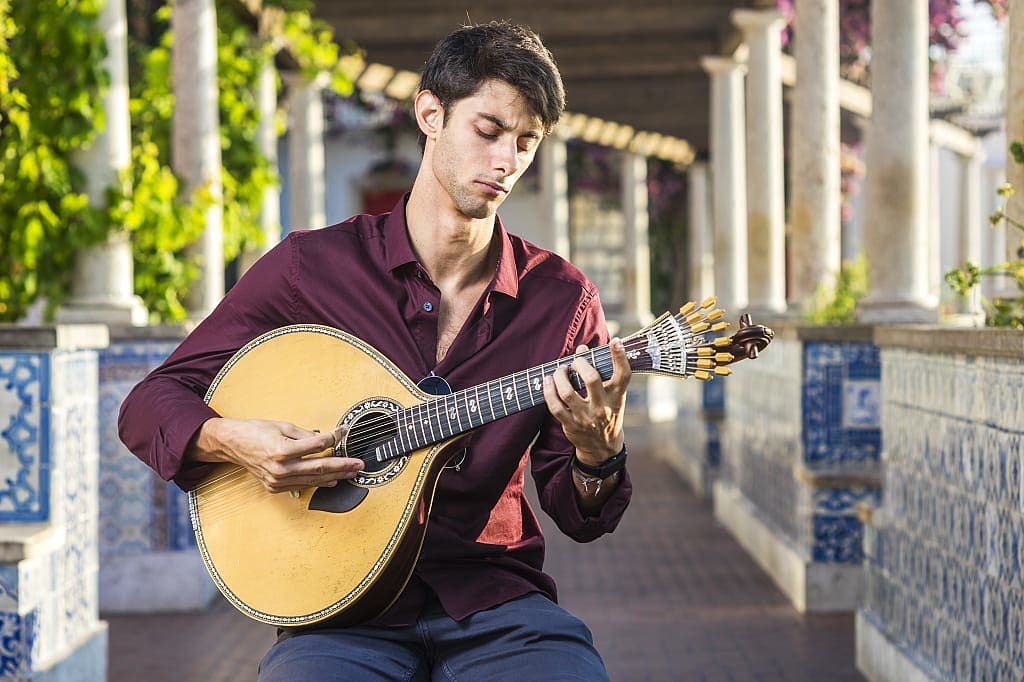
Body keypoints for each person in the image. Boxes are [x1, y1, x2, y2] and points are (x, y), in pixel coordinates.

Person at [119, 20, 772, 681]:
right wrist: (236, 442)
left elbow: (580, 517)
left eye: (526, 142)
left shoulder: (561, 301)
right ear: (431, 113)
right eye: (488, 131)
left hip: (495, 604)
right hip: (340, 615)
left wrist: (598, 452)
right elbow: (147, 405)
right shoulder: (309, 269)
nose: (506, 161)